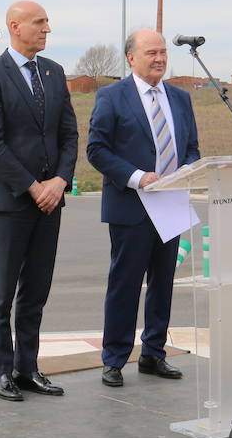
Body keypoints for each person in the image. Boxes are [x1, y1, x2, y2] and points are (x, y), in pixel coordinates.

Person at [0, 0, 79, 402]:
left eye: (48, 21)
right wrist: (35, 187)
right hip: (10, 201)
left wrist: (60, 181)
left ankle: (27, 367)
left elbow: (69, 135)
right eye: (39, 22)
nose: (47, 28)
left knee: (36, 291)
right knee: (1, 293)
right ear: (15, 27)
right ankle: (1, 370)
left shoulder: (53, 73)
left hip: (51, 201)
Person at [86, 29, 200, 387]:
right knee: (125, 284)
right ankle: (115, 359)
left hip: (171, 204)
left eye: (164, 52)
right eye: (151, 52)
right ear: (131, 58)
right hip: (131, 205)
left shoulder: (180, 99)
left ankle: (154, 353)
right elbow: (97, 149)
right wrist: (137, 177)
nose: (160, 58)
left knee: (163, 283)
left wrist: (188, 169)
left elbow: (192, 148)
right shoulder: (112, 97)